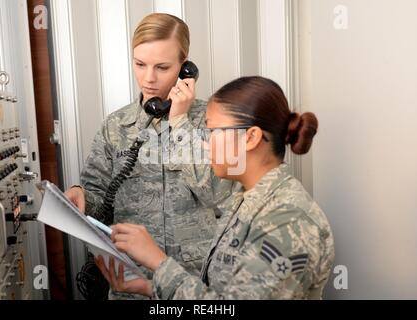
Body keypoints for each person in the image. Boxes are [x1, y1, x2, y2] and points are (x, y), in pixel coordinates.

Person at [96, 76, 335, 299]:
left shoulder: (288, 221)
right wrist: (150, 287)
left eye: (212, 132)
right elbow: (220, 292)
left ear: (250, 138)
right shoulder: (243, 200)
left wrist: (158, 263)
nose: (205, 143)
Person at [64, 13, 234, 299]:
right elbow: (97, 194)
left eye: (163, 67)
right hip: (131, 282)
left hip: (195, 285)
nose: (149, 78)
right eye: (140, 64)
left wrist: (180, 122)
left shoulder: (213, 121)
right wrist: (80, 195)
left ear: (185, 67)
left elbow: (218, 194)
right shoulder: (115, 126)